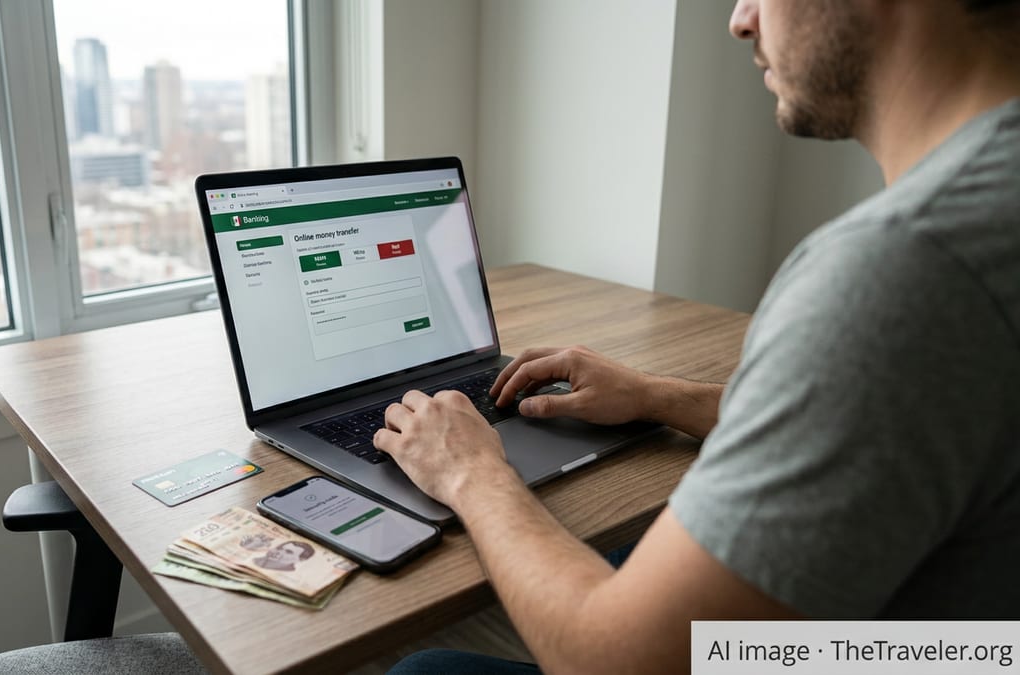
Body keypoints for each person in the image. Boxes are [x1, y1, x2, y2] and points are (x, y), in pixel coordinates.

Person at [378, 1, 1020, 673]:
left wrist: (472, 472)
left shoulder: (905, 267)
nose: (742, 19)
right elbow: (896, 419)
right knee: (632, 551)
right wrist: (655, 396)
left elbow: (616, 661)